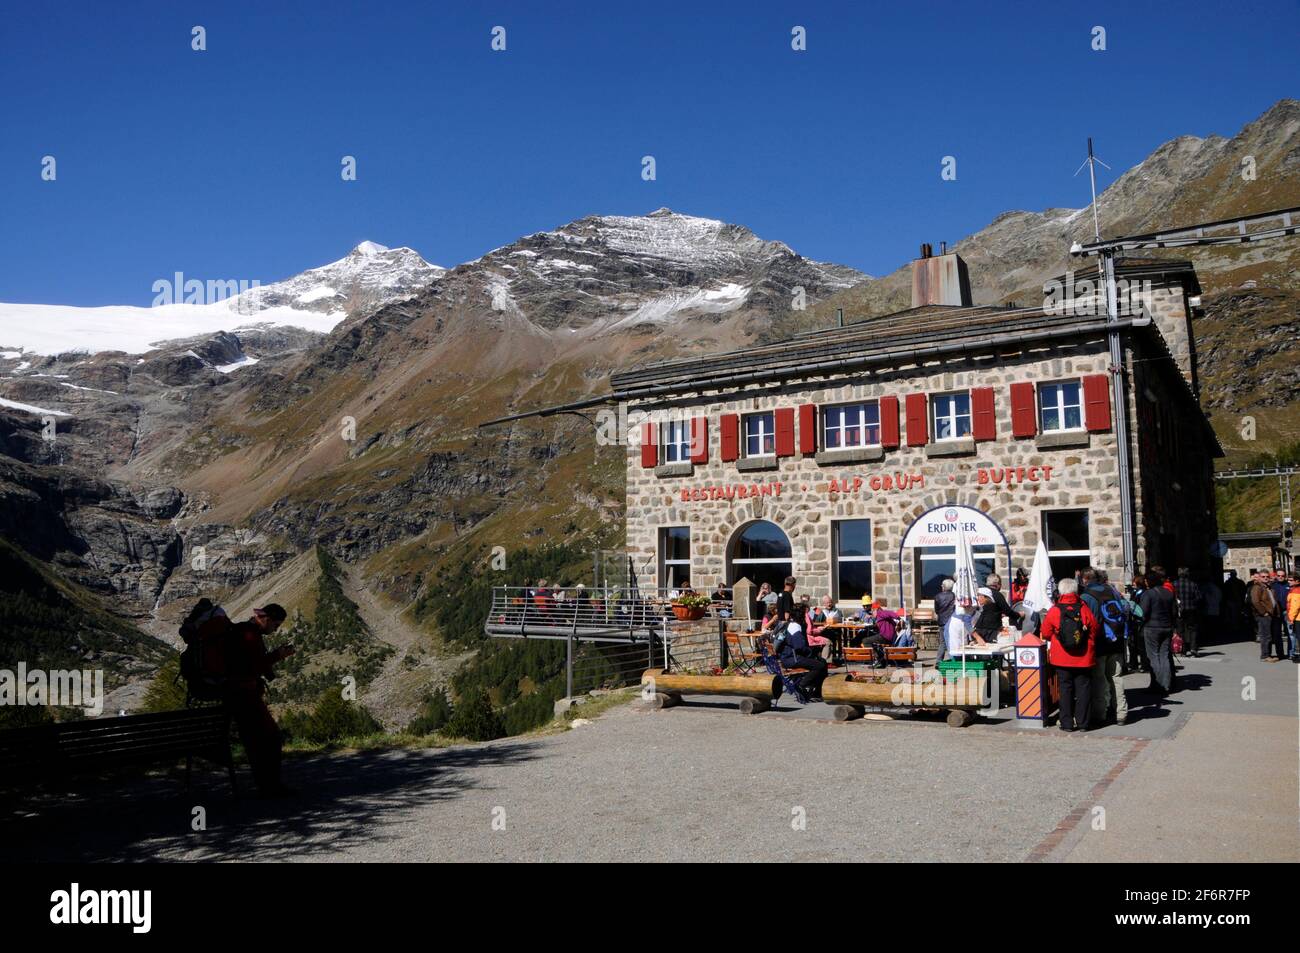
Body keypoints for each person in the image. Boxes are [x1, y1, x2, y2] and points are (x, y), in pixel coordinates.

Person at [224, 604, 296, 797]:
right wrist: (277, 656)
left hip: (235, 695)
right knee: (271, 738)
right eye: (276, 624)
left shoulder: (242, 631)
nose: (276, 629)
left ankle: (266, 785)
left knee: (255, 741)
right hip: (244, 696)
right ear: (265, 618)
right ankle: (271, 786)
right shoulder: (249, 635)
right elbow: (253, 666)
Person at [1042, 578, 1099, 732]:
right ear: (1075, 591)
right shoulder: (1083, 608)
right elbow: (1094, 628)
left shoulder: (1055, 610)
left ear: (1060, 592)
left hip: (1061, 657)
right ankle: (1083, 723)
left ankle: (1066, 723)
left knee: (1065, 690)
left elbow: (1046, 632)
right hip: (1083, 657)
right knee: (1083, 690)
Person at [1080, 568, 1128, 726]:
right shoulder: (1112, 590)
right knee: (1116, 678)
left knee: (1099, 680)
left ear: (1085, 579)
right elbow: (1125, 608)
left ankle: (1100, 714)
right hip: (1117, 640)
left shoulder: (1087, 596)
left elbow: (1089, 623)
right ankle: (1121, 713)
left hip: (1100, 643)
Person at [1139, 569, 1178, 694]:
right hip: (1166, 627)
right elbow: (1174, 612)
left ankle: (1158, 684)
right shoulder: (1168, 593)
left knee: (1153, 656)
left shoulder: (1148, 594)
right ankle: (1166, 683)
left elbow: (1143, 613)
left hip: (1152, 627)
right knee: (1164, 655)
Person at [777, 620, 828, 700]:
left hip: (786, 658)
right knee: (820, 665)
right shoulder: (794, 628)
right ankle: (802, 685)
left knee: (822, 661)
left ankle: (817, 691)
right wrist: (811, 653)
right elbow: (800, 647)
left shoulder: (787, 626)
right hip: (792, 659)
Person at [1251, 570, 1281, 661]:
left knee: (1269, 636)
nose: (1265, 578)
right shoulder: (1257, 587)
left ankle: (1268, 655)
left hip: (1271, 615)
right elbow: (1255, 601)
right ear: (1259, 577)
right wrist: (1263, 612)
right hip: (1263, 616)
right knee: (1265, 636)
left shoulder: (1267, 586)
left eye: (1267, 576)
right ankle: (1264, 656)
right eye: (1263, 576)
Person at [1173, 567, 1202, 658]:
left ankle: (1183, 650)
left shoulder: (1174, 584)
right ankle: (1193, 648)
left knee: (1181, 630)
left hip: (1179, 610)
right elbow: (1199, 597)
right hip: (1191, 609)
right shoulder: (1193, 584)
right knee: (1192, 629)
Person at [804, 596, 839, 662]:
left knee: (832, 635)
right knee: (828, 640)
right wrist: (819, 629)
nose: (829, 604)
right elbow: (812, 628)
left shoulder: (837, 611)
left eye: (830, 602)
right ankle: (825, 662)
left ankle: (828, 659)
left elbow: (840, 619)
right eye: (827, 603)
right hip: (812, 636)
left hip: (833, 630)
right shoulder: (821, 613)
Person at [933, 579, 956, 662]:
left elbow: (936, 610)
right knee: (952, 641)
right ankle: (953, 660)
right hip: (951, 621)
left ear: (944, 587)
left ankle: (939, 661)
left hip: (942, 621)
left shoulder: (938, 596)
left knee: (942, 642)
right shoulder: (954, 596)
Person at [1222, 569, 1247, 638]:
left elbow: (1224, 592)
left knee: (1234, 615)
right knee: (1236, 614)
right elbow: (1244, 591)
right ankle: (1236, 627)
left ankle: (1235, 627)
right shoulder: (1239, 582)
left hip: (1232, 601)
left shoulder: (1228, 582)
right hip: (1235, 601)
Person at [1287, 573, 1300, 661]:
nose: (1289, 581)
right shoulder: (1294, 589)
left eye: (1291, 580)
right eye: (1288, 580)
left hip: (1298, 618)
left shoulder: (1296, 591)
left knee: (1298, 637)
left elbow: (1295, 606)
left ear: (1297, 581)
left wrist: (1291, 618)